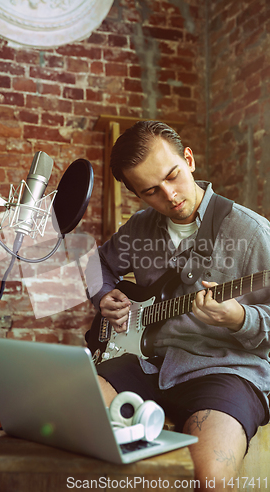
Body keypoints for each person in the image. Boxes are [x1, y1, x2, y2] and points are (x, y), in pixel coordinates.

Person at [87, 121, 270, 491]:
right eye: (151, 191)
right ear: (138, 194)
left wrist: (240, 319)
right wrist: (103, 294)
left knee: (209, 480)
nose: (169, 196)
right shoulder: (140, 228)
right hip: (147, 362)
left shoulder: (252, 233)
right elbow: (95, 265)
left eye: (173, 176)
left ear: (189, 159)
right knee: (80, 430)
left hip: (225, 368)